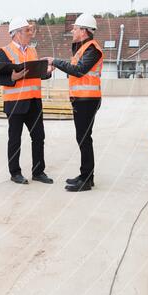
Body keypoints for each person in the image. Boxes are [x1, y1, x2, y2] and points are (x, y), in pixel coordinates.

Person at [45, 13, 103, 192]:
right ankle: (86, 176)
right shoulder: (82, 48)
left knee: (84, 139)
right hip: (81, 99)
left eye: (75, 28)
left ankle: (86, 179)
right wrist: (57, 65)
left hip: (88, 100)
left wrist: (55, 61)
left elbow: (78, 70)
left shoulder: (92, 49)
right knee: (83, 138)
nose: (72, 30)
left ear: (84, 31)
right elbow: (74, 68)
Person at [0, 18, 55, 185]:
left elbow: (36, 74)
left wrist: (48, 71)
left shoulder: (32, 51)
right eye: (27, 31)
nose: (30, 33)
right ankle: (15, 173)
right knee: (15, 139)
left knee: (39, 137)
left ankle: (38, 172)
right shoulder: (4, 52)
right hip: (15, 103)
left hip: (34, 102)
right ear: (16, 34)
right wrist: (12, 77)